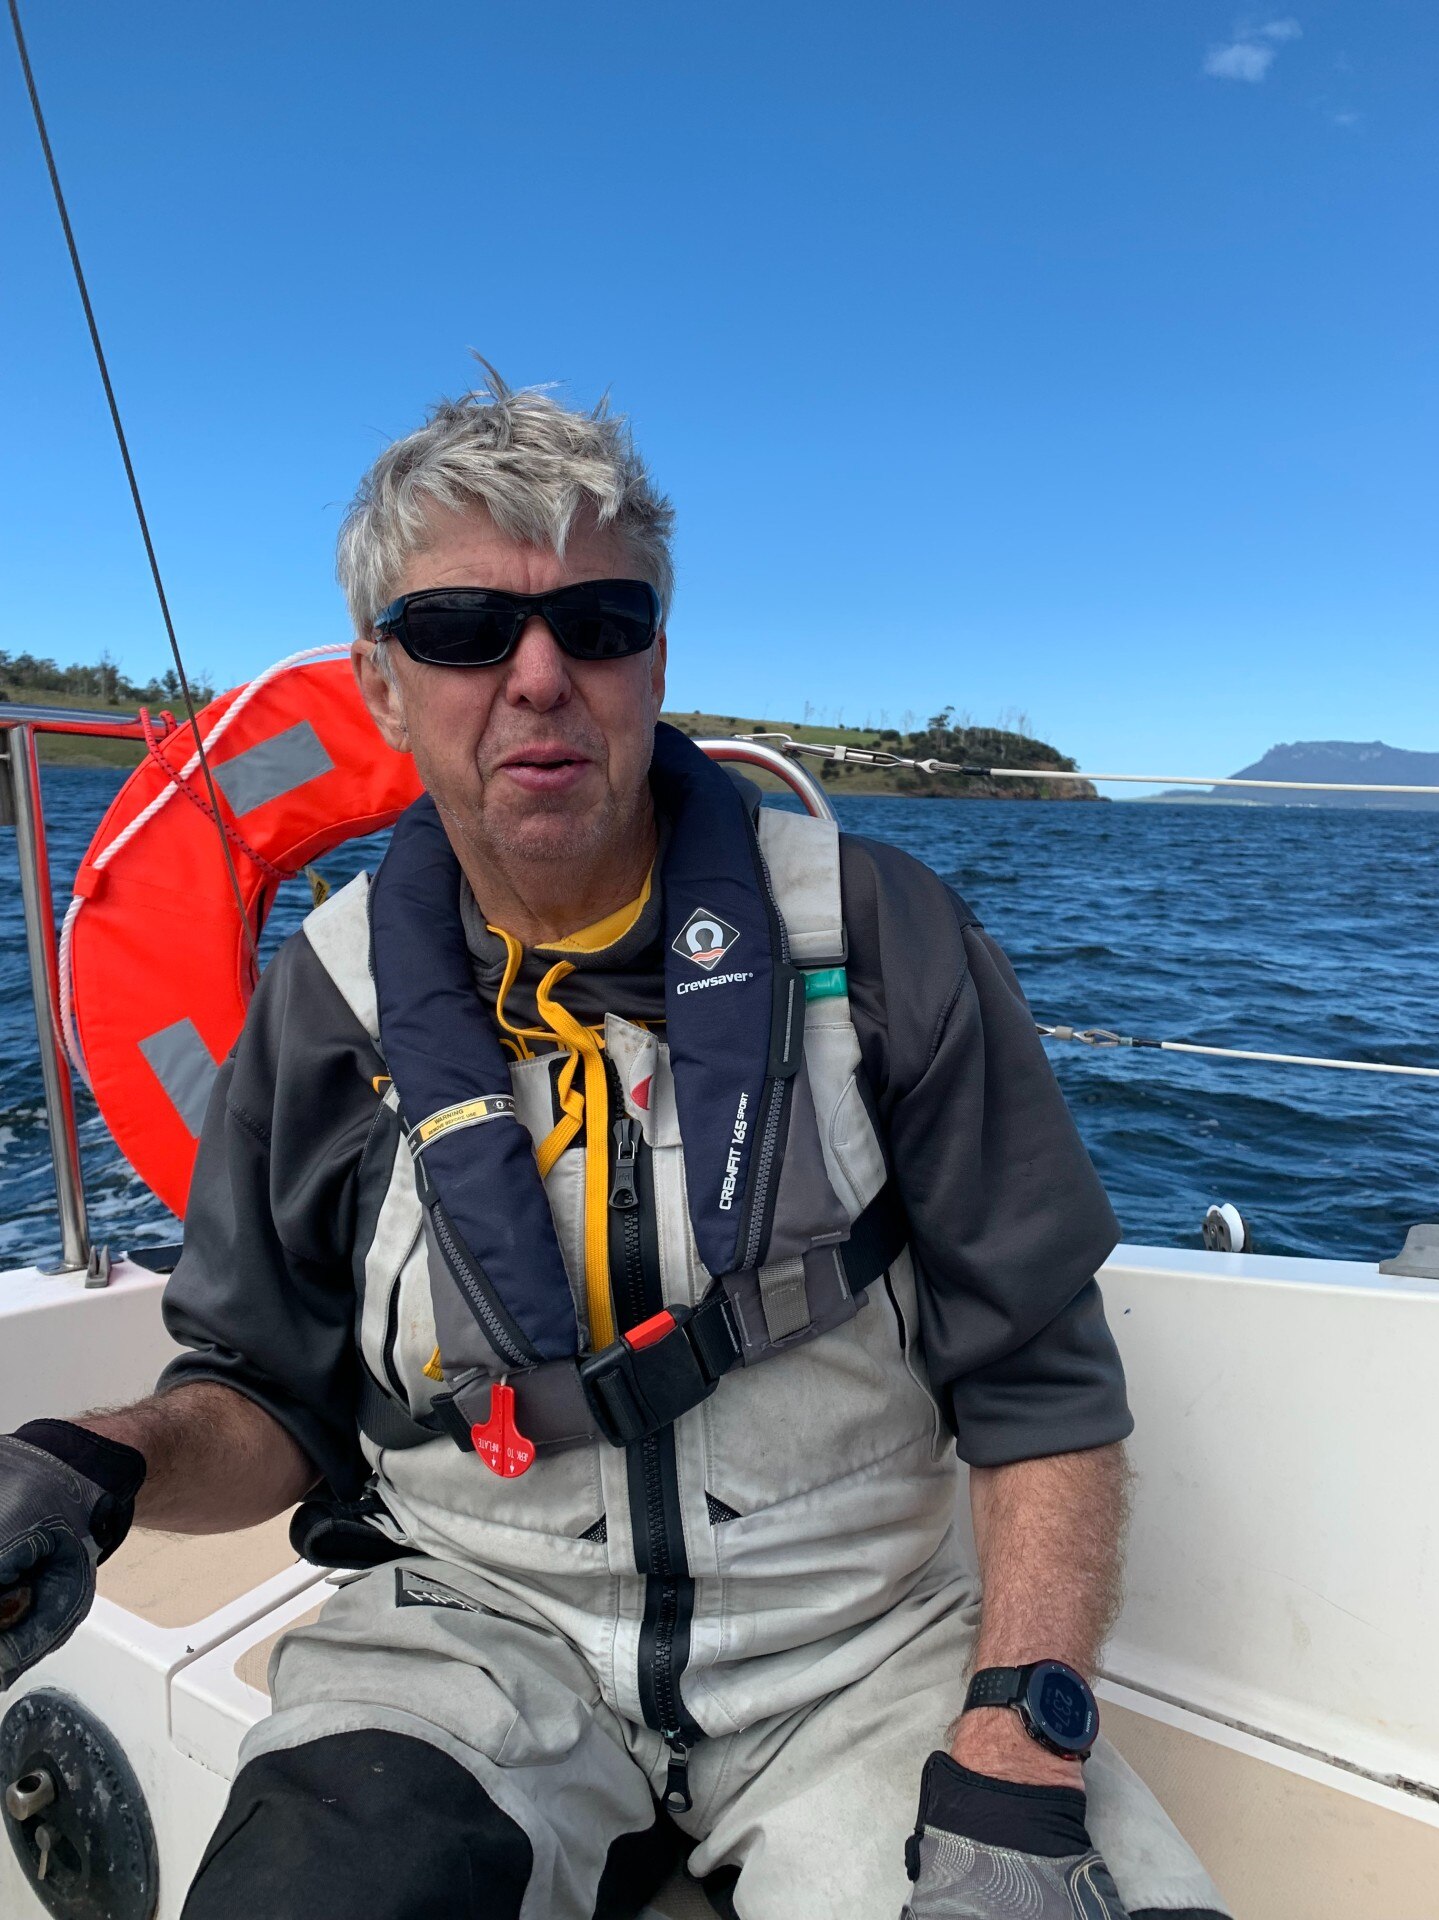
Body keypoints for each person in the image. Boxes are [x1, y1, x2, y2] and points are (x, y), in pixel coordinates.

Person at [0, 368, 1229, 1920]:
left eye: (598, 623)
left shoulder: (880, 935)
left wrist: (1020, 1746)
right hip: (468, 1634)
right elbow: (262, 1393)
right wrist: (92, 1463)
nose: (537, 678)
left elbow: (1040, 1375)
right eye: (459, 630)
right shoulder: (326, 1006)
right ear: (383, 686)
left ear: (655, 661)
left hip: (861, 1655)